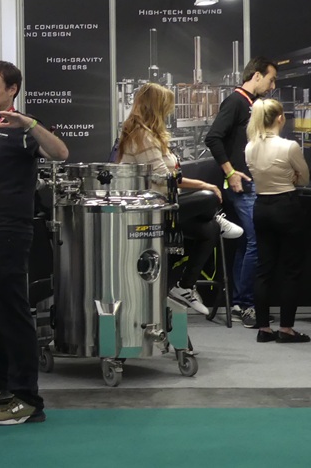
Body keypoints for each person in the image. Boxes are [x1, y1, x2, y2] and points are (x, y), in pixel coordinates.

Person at [0, 60, 68, 425]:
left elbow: (61, 153)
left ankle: (27, 399)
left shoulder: (24, 127)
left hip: (9, 232)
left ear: (12, 90)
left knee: (12, 313)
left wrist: (31, 125)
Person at [116, 83, 242, 315]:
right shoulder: (142, 136)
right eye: (166, 106)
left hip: (163, 204)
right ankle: (216, 215)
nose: (170, 111)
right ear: (157, 107)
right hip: (150, 209)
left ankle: (184, 287)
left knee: (210, 230)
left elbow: (169, 177)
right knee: (208, 196)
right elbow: (165, 178)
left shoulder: (149, 135)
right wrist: (204, 184)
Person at [204, 57, 278, 328]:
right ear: (256, 75)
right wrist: (230, 173)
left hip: (251, 184)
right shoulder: (236, 101)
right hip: (242, 187)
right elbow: (213, 137)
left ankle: (239, 302)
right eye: (270, 79)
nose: (272, 86)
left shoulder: (251, 103)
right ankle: (246, 304)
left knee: (247, 243)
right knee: (256, 241)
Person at [245, 99, 310, 344]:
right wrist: (292, 175)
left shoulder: (250, 147)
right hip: (287, 207)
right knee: (291, 270)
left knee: (264, 269)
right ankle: (286, 329)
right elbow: (303, 178)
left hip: (261, 207)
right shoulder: (289, 146)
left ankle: (264, 328)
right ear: (280, 118)